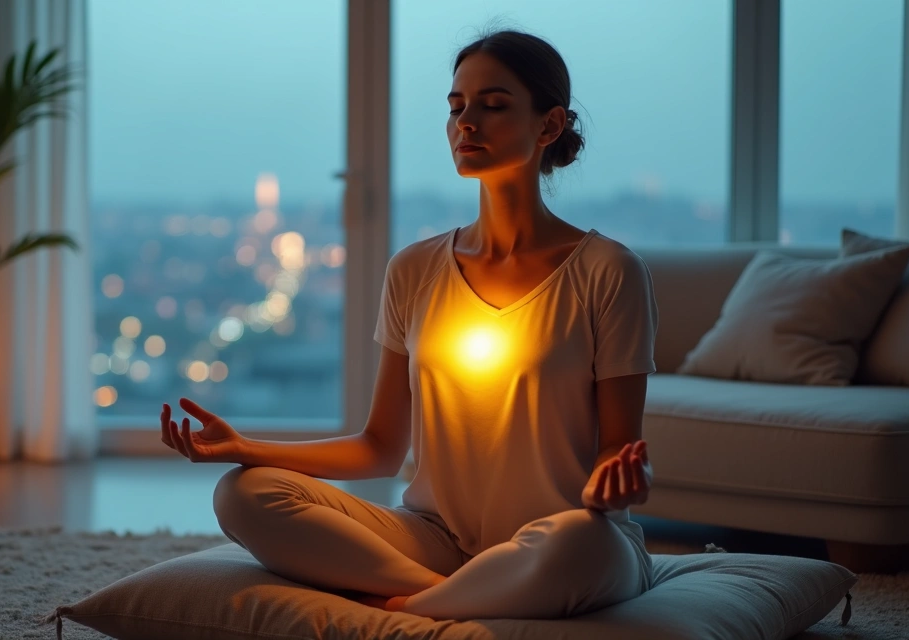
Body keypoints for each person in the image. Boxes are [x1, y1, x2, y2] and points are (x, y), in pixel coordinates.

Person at [159, 28, 658, 622]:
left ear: (549, 125)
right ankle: (446, 597)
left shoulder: (608, 270)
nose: (466, 122)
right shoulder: (415, 270)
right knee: (243, 493)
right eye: (456, 106)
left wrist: (616, 483)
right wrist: (245, 448)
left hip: (566, 536)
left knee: (582, 544)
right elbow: (379, 447)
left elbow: (621, 449)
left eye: (493, 105)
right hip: (437, 539)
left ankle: (404, 605)